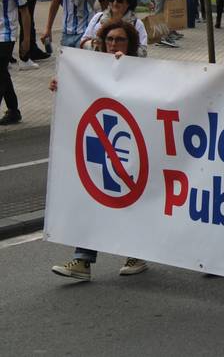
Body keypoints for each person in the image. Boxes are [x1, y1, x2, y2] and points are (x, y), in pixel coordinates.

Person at [51, 20, 148, 280]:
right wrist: (62, 86)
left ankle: (136, 252)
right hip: (100, 144)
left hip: (130, 147)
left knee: (129, 201)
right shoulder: (91, 70)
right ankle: (83, 260)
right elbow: (79, 95)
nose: (114, 44)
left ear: (131, 44)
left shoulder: (143, 71)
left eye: (120, 40)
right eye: (110, 39)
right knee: (92, 198)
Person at [0, 0, 31, 125]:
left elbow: (24, 12)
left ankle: (13, 110)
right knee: (2, 73)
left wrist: (26, 40)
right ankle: (13, 110)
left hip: (7, 35)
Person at [80, 0, 148, 57]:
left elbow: (143, 52)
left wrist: (125, 54)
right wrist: (94, 44)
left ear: (129, 2)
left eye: (119, 0)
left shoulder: (137, 24)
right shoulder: (98, 17)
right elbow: (83, 42)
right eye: (112, 0)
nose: (115, 3)